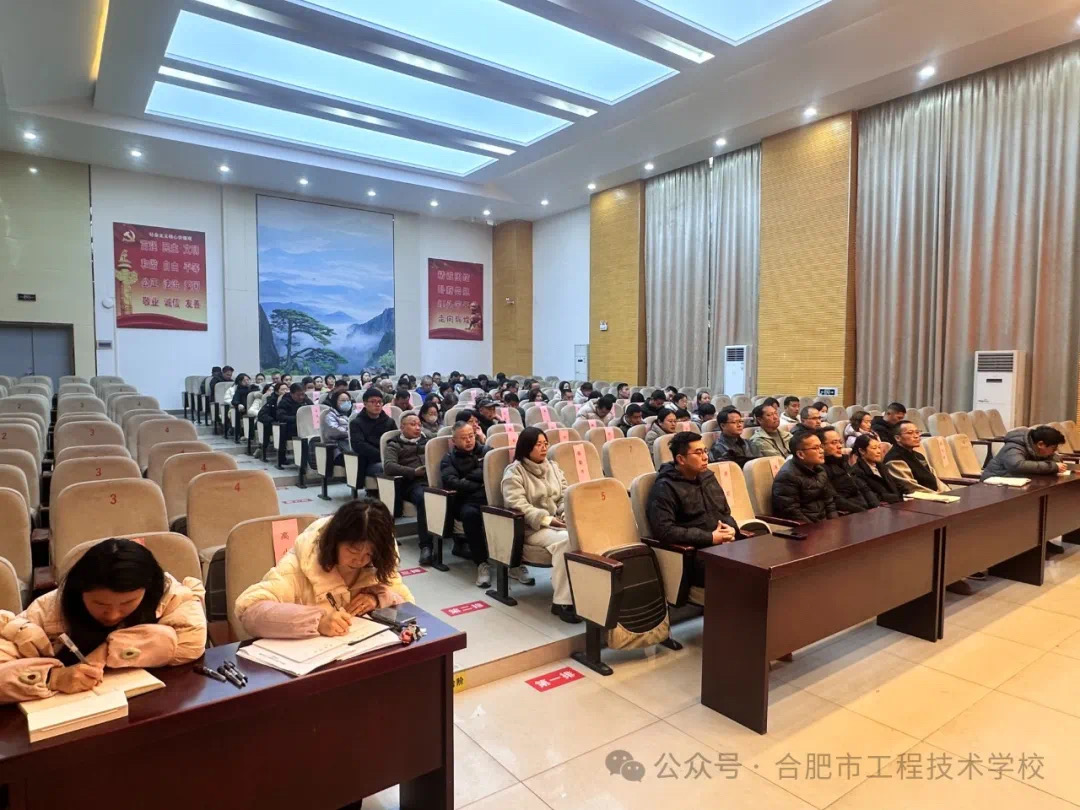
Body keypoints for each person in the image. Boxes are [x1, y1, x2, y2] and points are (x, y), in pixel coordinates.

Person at [0, 538, 206, 702]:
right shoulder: (48, 610)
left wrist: (106, 651)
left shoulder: (168, 594)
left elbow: (192, 642)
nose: (113, 614)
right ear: (79, 592)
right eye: (100, 604)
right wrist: (52, 678)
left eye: (128, 602)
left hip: (145, 705)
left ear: (147, 589)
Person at [235, 499, 413, 639]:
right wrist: (316, 621)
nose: (360, 560)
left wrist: (378, 598)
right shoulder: (300, 565)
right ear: (335, 542)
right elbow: (250, 612)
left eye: (369, 553)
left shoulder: (376, 564)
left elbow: (409, 608)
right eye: (353, 550)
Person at [501, 428, 580, 622]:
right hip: (532, 528)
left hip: (558, 523)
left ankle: (581, 593)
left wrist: (565, 514)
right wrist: (547, 519)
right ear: (526, 447)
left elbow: (564, 494)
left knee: (583, 535)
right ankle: (562, 602)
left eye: (545, 444)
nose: (544, 448)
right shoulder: (514, 472)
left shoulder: (553, 467)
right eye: (538, 444)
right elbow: (517, 504)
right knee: (567, 541)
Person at [646, 432, 740, 590]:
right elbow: (664, 530)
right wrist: (710, 537)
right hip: (695, 554)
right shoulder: (665, 487)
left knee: (761, 561)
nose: (705, 457)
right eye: (698, 453)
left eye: (705, 451)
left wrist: (731, 529)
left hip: (723, 546)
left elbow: (725, 512)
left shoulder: (708, 477)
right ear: (681, 459)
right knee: (743, 574)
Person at [440, 422, 492, 587]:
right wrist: (479, 482)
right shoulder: (449, 459)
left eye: (471, 436)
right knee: (470, 516)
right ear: (454, 440)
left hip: (490, 497)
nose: (469, 440)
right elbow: (452, 482)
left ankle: (514, 564)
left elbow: (492, 472)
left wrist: (468, 477)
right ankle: (481, 563)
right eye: (463, 438)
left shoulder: (487, 451)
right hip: (466, 501)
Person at [383, 413, 434, 565]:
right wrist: (412, 472)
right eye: (412, 424)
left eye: (419, 424)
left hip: (433, 480)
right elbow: (389, 466)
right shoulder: (394, 444)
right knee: (424, 499)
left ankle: (459, 542)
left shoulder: (429, 441)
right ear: (402, 427)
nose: (417, 427)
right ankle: (426, 546)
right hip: (411, 483)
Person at [771, 431, 837, 523]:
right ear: (800, 454)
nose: (822, 451)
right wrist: (815, 528)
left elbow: (829, 502)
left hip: (824, 523)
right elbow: (791, 512)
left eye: (821, 446)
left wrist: (834, 523)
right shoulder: (788, 476)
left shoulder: (820, 470)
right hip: (805, 527)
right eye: (816, 448)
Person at [884, 421, 951, 494]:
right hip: (918, 498)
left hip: (936, 495)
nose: (916, 436)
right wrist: (939, 496)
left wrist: (948, 492)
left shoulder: (919, 455)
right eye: (910, 433)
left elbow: (934, 478)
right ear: (897, 438)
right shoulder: (894, 459)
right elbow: (911, 487)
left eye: (917, 432)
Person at [820, 427, 874, 513]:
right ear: (821, 446)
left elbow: (863, 488)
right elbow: (835, 499)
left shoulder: (844, 462)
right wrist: (864, 512)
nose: (840, 446)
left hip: (865, 508)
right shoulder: (821, 469)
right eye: (834, 443)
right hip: (849, 513)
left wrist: (875, 506)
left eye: (840, 442)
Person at [982, 426, 1067, 478]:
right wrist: (1053, 466)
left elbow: (1052, 458)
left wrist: (1057, 464)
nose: (1054, 451)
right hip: (994, 483)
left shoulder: (1035, 447)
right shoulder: (1014, 446)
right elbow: (1017, 465)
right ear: (1040, 444)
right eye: (1053, 448)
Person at [350, 388, 395, 482]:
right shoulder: (356, 423)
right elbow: (359, 445)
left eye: (380, 402)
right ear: (365, 403)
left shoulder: (389, 421)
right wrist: (382, 455)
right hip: (370, 462)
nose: (377, 404)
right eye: (373, 402)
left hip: (390, 459)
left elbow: (396, 440)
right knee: (387, 469)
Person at [850, 433, 902, 505]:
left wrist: (906, 494)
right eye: (874, 448)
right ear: (862, 451)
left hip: (897, 503)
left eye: (879, 447)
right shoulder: (857, 472)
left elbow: (897, 484)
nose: (879, 451)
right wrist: (897, 498)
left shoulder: (881, 466)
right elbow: (872, 497)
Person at [275, 383, 307, 468]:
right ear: (292, 394)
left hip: (306, 427)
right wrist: (297, 418)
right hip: (291, 429)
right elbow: (281, 417)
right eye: (298, 395)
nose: (301, 397)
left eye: (303, 394)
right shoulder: (284, 402)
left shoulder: (306, 400)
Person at [258, 381, 289, 460]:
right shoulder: (271, 400)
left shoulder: (290, 399)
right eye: (283, 390)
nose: (285, 391)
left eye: (287, 389)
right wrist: (273, 421)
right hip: (273, 424)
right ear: (276, 392)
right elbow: (262, 415)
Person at [321, 389, 354, 455]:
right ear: (335, 401)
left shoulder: (352, 413)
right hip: (338, 448)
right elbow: (335, 432)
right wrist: (353, 433)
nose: (346, 402)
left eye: (348, 400)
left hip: (352, 444)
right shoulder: (329, 415)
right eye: (343, 400)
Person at [228, 373, 254, 437]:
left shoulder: (254, 388)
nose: (247, 382)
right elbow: (234, 401)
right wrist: (239, 404)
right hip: (244, 410)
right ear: (240, 382)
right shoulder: (239, 391)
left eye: (248, 380)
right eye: (244, 380)